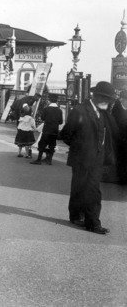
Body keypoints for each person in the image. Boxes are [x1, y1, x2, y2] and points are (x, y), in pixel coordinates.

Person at [60, 81, 118, 234]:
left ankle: (82, 218)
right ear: (97, 96)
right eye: (107, 99)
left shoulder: (104, 113)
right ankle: (91, 223)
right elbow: (65, 135)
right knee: (83, 188)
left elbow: (113, 133)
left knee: (91, 189)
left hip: (97, 159)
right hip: (81, 158)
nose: (109, 102)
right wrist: (81, 147)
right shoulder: (79, 111)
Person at [31, 94, 63, 165]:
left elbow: (42, 118)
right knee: (52, 145)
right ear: (56, 101)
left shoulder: (46, 109)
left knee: (42, 144)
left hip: (46, 130)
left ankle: (39, 160)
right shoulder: (59, 110)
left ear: (49, 101)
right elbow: (61, 122)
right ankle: (49, 160)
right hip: (55, 130)